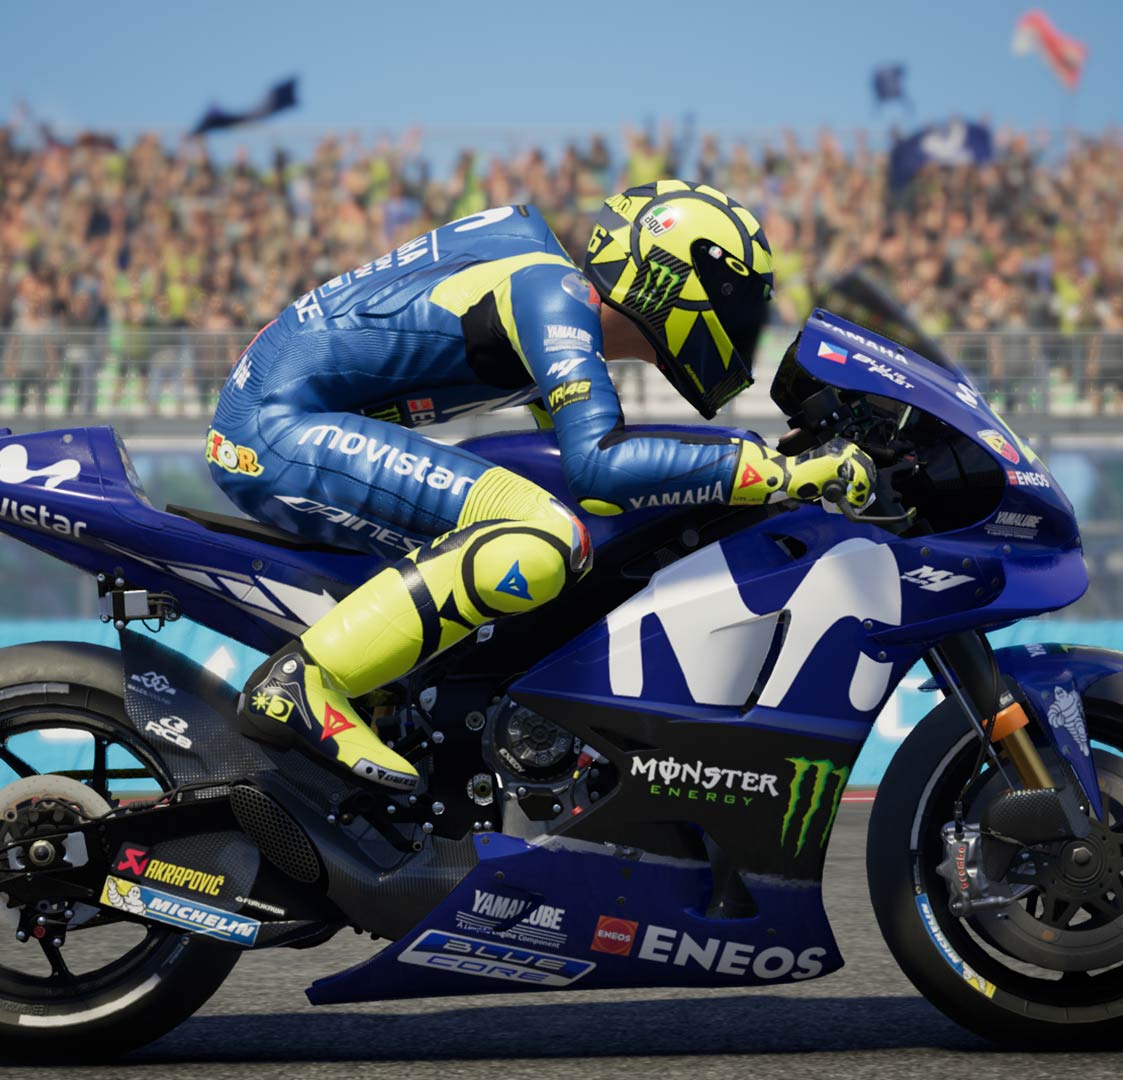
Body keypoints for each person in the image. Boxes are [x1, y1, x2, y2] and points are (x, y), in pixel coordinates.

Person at [210, 181, 876, 790]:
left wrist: (752, 462)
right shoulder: (553, 296)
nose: (740, 323)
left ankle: (395, 699)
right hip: (276, 430)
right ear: (674, 276)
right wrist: (779, 474)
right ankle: (304, 680)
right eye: (731, 298)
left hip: (285, 417)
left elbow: (588, 464)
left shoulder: (551, 294)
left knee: (545, 526)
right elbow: (601, 467)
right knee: (544, 538)